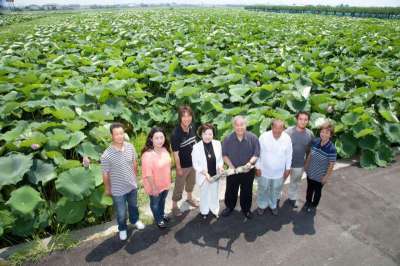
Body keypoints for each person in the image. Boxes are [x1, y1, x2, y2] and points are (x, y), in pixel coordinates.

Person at [100, 122, 145, 241]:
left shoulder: (130, 147)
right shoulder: (106, 155)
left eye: (121, 133)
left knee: (133, 206)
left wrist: (135, 178)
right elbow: (105, 174)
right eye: (116, 134)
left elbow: (134, 163)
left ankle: (135, 220)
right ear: (112, 136)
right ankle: (122, 228)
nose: (120, 136)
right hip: (118, 189)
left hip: (131, 185)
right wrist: (107, 188)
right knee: (121, 212)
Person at [221, 116, 260, 219]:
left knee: (247, 191)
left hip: (247, 170)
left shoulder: (253, 138)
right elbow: (224, 155)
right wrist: (232, 167)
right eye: (237, 125)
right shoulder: (228, 138)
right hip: (233, 170)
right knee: (230, 190)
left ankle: (246, 209)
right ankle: (229, 207)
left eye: (242, 125)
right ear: (233, 126)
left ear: (245, 125)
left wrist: (249, 163)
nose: (239, 127)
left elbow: (256, 153)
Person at [256, 120, 292, 216]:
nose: (278, 130)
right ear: (271, 127)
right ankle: (262, 205)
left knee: (276, 189)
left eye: (280, 128)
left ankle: (273, 205)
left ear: (283, 129)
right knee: (263, 188)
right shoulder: (263, 137)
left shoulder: (287, 138)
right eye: (275, 127)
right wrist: (257, 167)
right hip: (264, 171)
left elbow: (289, 155)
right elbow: (257, 153)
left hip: (279, 172)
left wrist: (288, 168)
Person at [141, 127, 172, 229]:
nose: (160, 140)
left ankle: (162, 214)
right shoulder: (147, 155)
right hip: (154, 186)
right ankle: (158, 219)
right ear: (151, 139)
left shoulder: (164, 149)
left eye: (161, 137)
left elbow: (168, 165)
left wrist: (169, 179)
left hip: (165, 183)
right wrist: (154, 188)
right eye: (156, 138)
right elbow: (148, 174)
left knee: (162, 201)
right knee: (155, 204)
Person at [191, 123, 224, 220]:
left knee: (214, 193)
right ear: (201, 134)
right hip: (203, 175)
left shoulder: (217, 144)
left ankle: (215, 209)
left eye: (210, 134)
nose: (207, 136)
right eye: (205, 134)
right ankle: (204, 211)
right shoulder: (196, 147)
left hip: (215, 174)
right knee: (204, 193)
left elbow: (220, 159)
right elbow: (195, 164)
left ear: (213, 134)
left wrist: (220, 167)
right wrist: (205, 173)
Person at [171, 105, 198, 216]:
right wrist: (178, 168)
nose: (187, 118)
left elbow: (194, 143)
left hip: (193, 163)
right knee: (179, 186)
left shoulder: (192, 127)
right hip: (183, 165)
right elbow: (175, 154)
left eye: (189, 116)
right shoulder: (176, 134)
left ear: (191, 117)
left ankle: (189, 198)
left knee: (191, 182)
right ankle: (174, 206)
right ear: (180, 118)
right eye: (184, 116)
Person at [304, 121, 337, 212]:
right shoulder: (316, 141)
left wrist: (326, 177)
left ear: (331, 135)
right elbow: (310, 154)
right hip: (311, 172)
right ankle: (308, 201)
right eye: (322, 132)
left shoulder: (332, 149)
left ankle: (314, 205)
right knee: (309, 189)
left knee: (317, 192)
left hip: (320, 176)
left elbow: (331, 165)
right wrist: (306, 165)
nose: (324, 134)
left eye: (327, 133)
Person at [285, 111, 314, 208]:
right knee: (279, 182)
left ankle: (292, 198)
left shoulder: (310, 134)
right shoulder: (288, 132)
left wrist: (306, 164)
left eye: (305, 120)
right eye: (300, 119)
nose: (303, 121)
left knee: (295, 182)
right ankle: (275, 198)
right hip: (286, 164)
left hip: (299, 164)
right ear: (297, 120)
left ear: (308, 121)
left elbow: (310, 150)